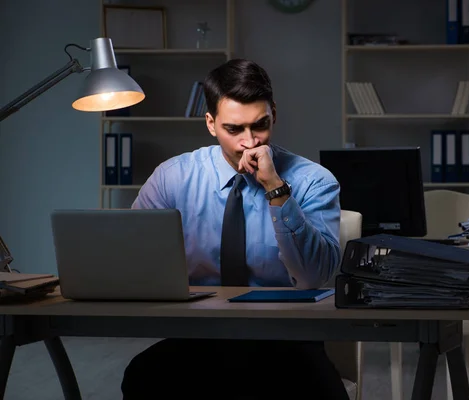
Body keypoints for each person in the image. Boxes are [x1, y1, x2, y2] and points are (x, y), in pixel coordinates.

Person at [120, 58, 350, 400]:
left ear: (274, 113)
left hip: (284, 339)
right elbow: (130, 259)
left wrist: (275, 187)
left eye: (260, 125)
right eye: (234, 129)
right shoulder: (172, 178)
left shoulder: (313, 181)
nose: (250, 142)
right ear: (211, 123)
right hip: (200, 337)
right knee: (141, 378)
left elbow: (312, 276)